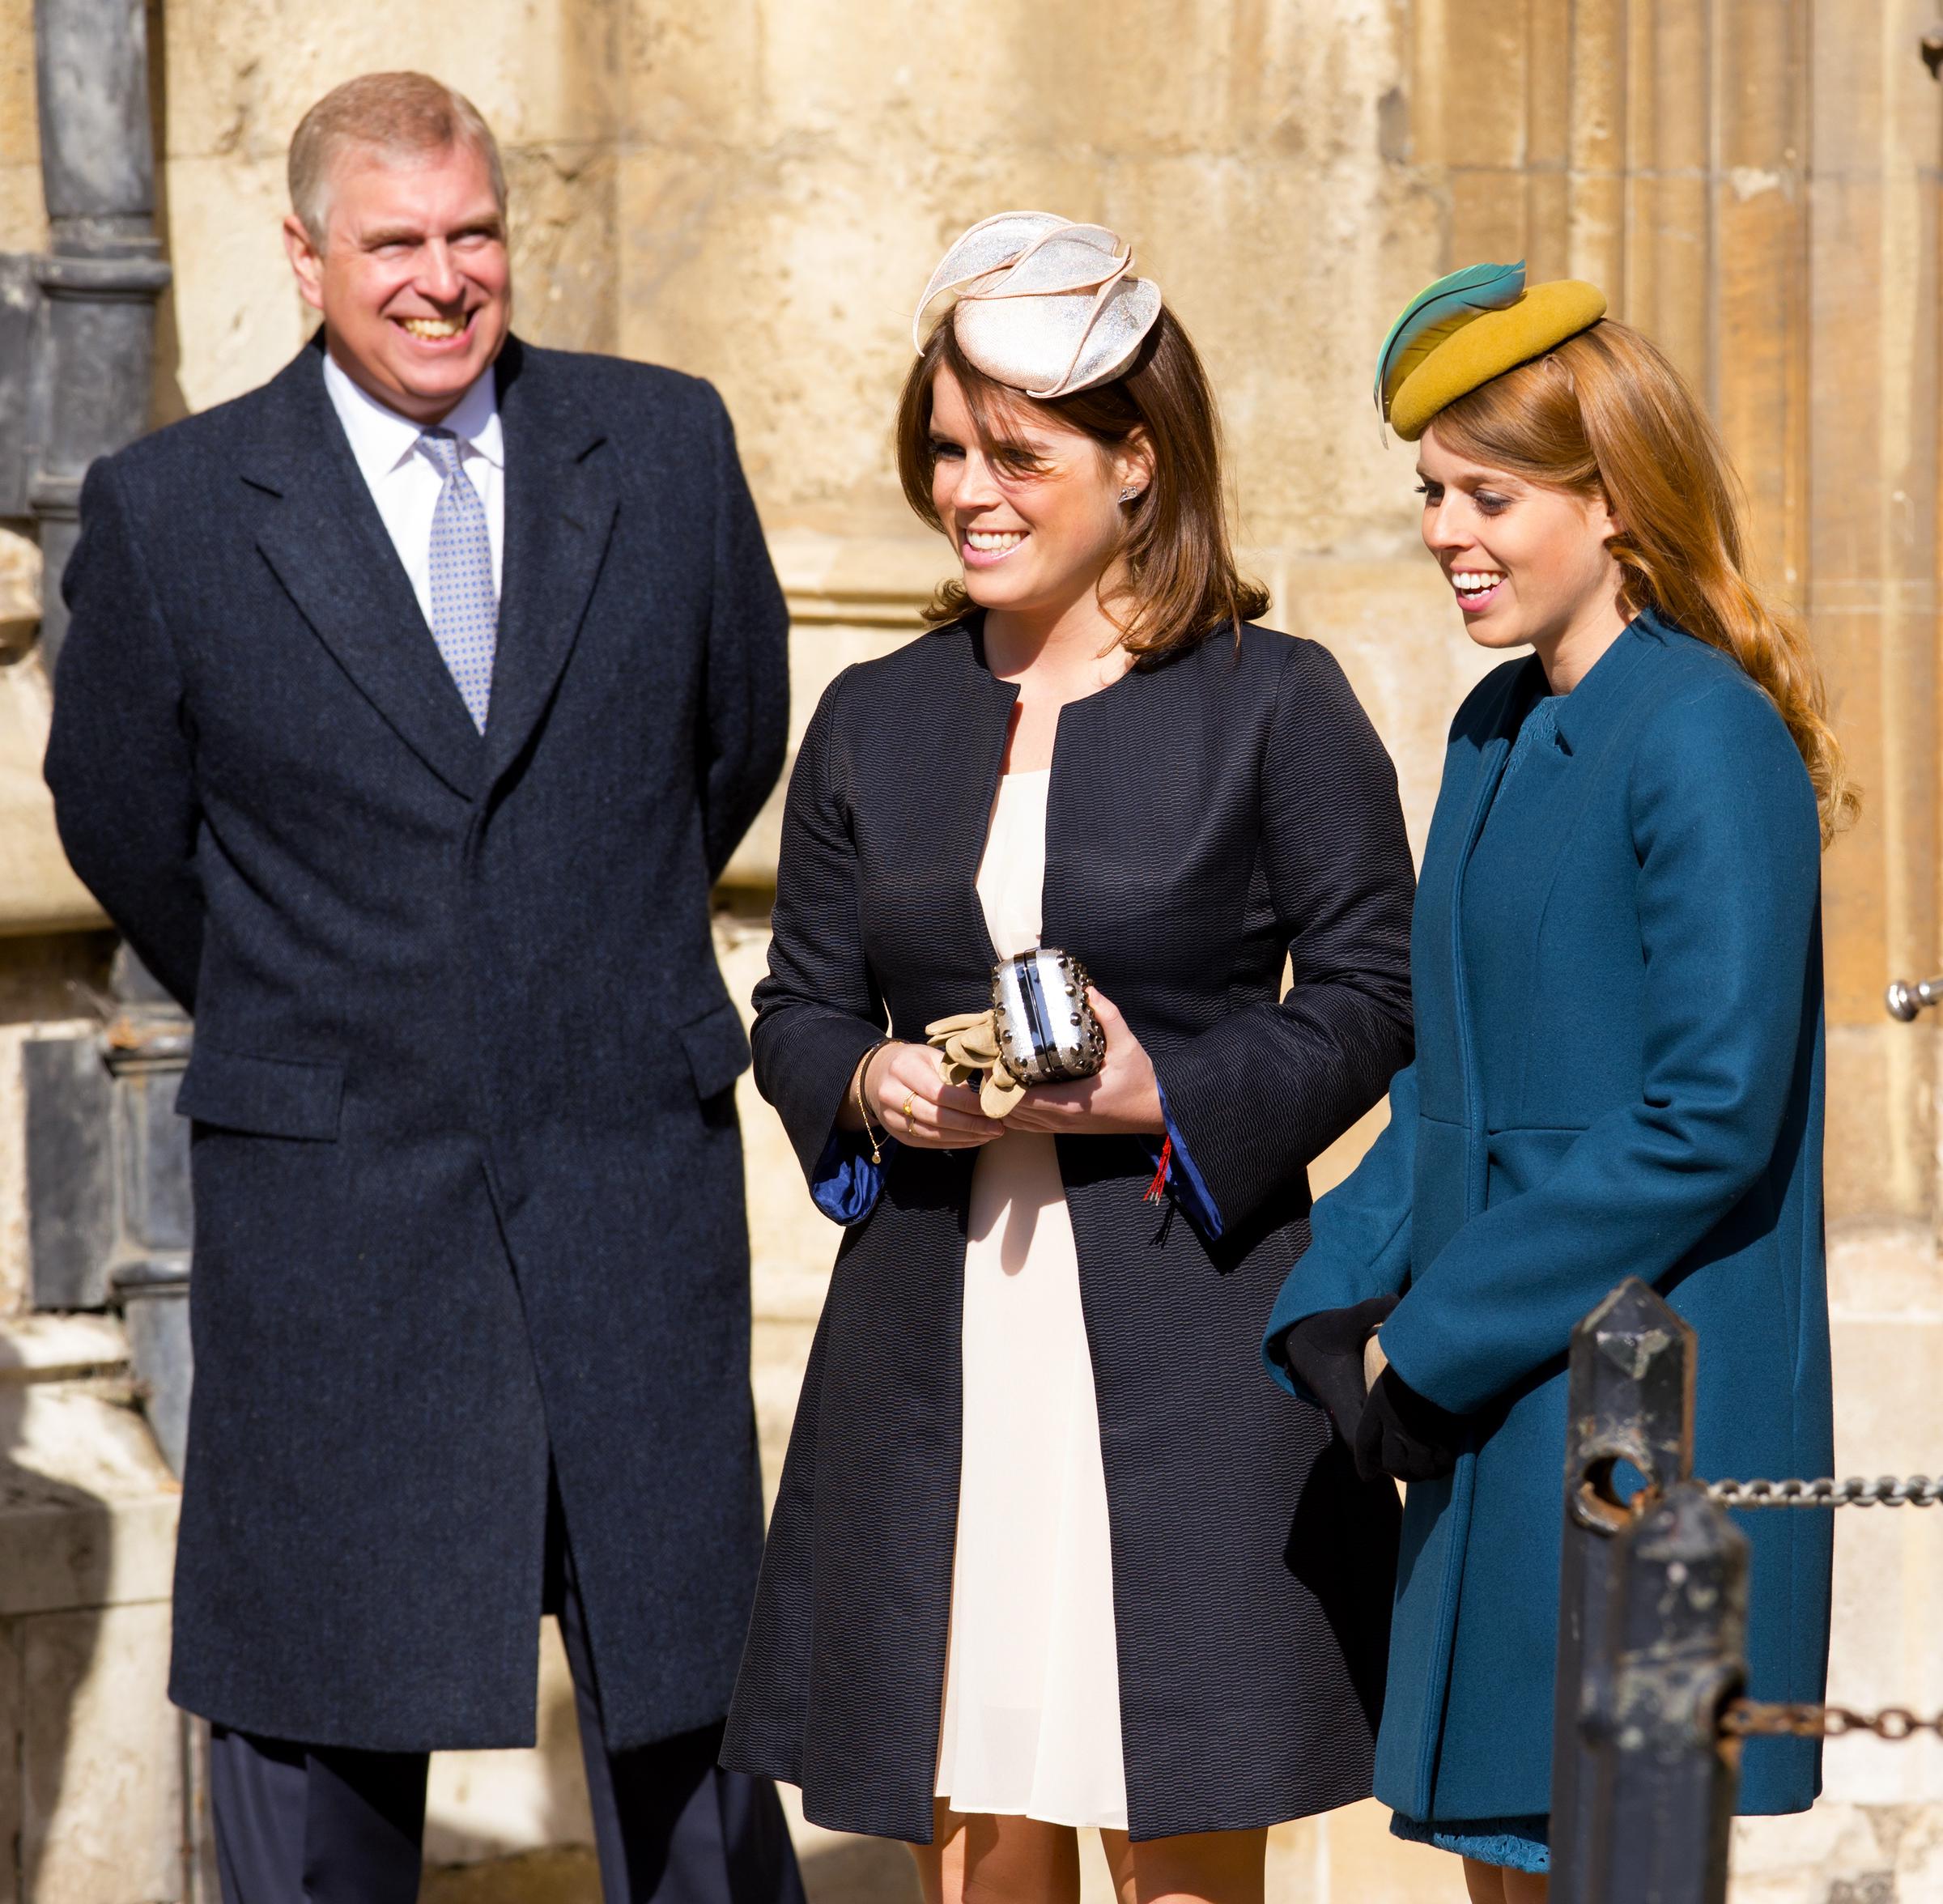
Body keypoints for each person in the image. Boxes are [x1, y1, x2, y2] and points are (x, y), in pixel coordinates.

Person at [44, 70, 803, 1904]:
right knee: (318, 1733)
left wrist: (567, 963)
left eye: (475, 234)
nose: (443, 280)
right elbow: (122, 820)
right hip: (336, 1200)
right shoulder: (171, 509)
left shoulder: (667, 447)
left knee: (690, 1726)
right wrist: (336, 1002)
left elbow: (732, 743)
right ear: (306, 256)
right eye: (395, 243)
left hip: (627, 1173)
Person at [721, 212, 1418, 1904]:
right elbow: (799, 1005)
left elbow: (1378, 988)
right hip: (935, 1356)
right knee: (975, 1831)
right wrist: (875, 1086)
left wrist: (1163, 1091)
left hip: (1187, 1344)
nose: (970, 489)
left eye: (1017, 456)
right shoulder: (877, 714)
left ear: (1137, 461)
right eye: (948, 451)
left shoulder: (1275, 698)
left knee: (1178, 1843)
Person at [1262, 265, 1852, 1903]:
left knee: (1609, 1866)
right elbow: (1459, 1082)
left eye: (1490, 495)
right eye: (1433, 495)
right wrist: (1337, 1283)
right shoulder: (1493, 729)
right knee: (1504, 1865)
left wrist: (1437, 1340)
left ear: (1612, 500)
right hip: (1506, 1401)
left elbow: (1709, 1115)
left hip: (1636, 1408)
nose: (1450, 530)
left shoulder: (1704, 735)